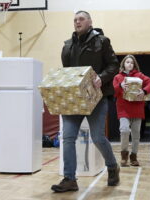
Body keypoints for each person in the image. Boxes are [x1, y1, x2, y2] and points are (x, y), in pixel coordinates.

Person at [51, 11, 120, 193]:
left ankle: (112, 166)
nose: (77, 22)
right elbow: (67, 73)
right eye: (75, 20)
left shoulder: (102, 41)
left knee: (97, 137)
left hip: (96, 97)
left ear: (90, 22)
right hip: (73, 99)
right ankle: (69, 179)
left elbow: (114, 65)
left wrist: (102, 78)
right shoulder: (67, 46)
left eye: (81, 19)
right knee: (67, 137)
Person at [113, 55, 150, 167]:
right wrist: (120, 86)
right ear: (123, 64)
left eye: (132, 63)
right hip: (123, 109)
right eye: (127, 62)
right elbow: (113, 92)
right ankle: (124, 156)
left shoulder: (140, 75)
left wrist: (144, 91)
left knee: (136, 135)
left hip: (137, 109)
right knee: (124, 130)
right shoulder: (117, 77)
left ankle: (134, 156)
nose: (130, 64)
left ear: (134, 65)